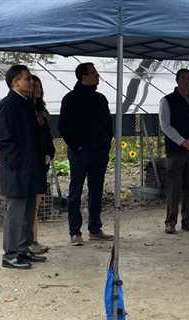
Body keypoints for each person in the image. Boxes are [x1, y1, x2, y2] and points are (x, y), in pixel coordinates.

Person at [0, 65, 47, 269]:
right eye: (27, 79)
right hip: (17, 171)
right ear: (16, 82)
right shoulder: (9, 105)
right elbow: (4, 138)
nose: (31, 82)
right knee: (15, 213)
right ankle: (10, 254)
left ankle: (23, 249)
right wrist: (18, 162)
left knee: (27, 212)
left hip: (31, 169)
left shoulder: (26, 104)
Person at [58, 62, 114, 246]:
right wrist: (78, 146)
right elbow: (64, 127)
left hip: (99, 152)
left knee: (96, 190)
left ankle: (95, 229)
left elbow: (108, 125)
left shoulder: (100, 99)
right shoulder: (70, 99)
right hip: (80, 153)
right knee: (75, 192)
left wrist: (106, 145)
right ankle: (75, 232)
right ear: (84, 77)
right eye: (94, 73)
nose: (97, 76)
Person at [159, 68, 189, 234]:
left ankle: (188, 220)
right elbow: (165, 125)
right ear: (177, 80)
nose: (187, 81)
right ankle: (170, 222)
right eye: (184, 78)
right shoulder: (167, 100)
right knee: (174, 187)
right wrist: (182, 141)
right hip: (176, 151)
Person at [29, 75, 55, 254]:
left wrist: (49, 153)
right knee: (30, 206)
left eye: (39, 86)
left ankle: (34, 239)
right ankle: (30, 240)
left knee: (35, 206)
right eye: (34, 86)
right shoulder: (26, 110)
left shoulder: (42, 111)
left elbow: (47, 137)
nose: (37, 89)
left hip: (41, 162)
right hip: (31, 163)